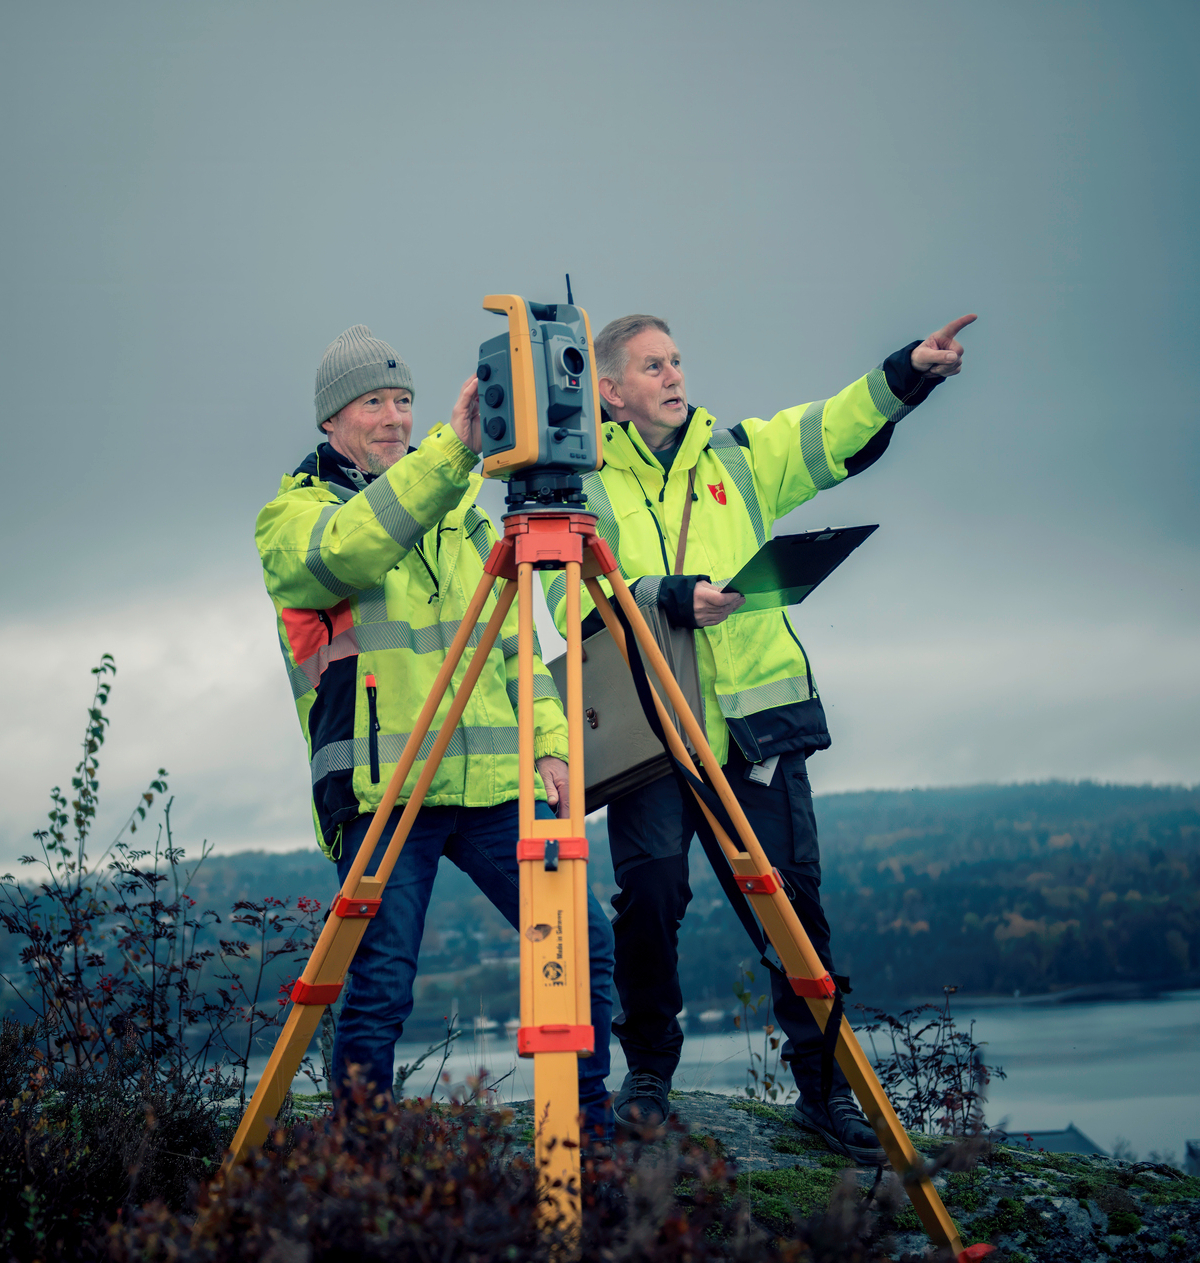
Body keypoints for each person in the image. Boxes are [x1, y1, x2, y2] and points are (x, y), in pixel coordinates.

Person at [541, 311, 975, 1161]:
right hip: (653, 737)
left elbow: (834, 425)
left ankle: (823, 1090)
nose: (673, 376)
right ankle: (650, 1079)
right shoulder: (583, 482)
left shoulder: (737, 455)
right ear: (610, 391)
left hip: (756, 730)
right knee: (652, 904)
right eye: (651, 365)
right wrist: (668, 596)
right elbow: (568, 600)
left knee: (793, 909)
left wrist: (907, 372)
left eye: (677, 360)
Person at [255, 325, 614, 1133]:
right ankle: (365, 1168)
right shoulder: (296, 517)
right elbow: (352, 550)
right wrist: (453, 452)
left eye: (405, 401)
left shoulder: (460, 513)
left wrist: (552, 742)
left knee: (583, 941)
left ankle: (594, 1137)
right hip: (384, 787)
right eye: (374, 401)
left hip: (491, 781)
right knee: (381, 982)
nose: (394, 416)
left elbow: (519, 637)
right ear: (330, 422)